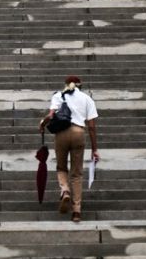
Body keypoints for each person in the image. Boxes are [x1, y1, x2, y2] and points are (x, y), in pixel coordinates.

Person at [39, 75, 99, 222]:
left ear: (66, 85)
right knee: (77, 174)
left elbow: (51, 115)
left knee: (61, 167)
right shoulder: (87, 99)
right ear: (80, 85)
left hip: (61, 134)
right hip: (79, 133)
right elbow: (91, 127)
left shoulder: (58, 96)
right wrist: (94, 149)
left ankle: (65, 190)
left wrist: (42, 124)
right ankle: (76, 211)